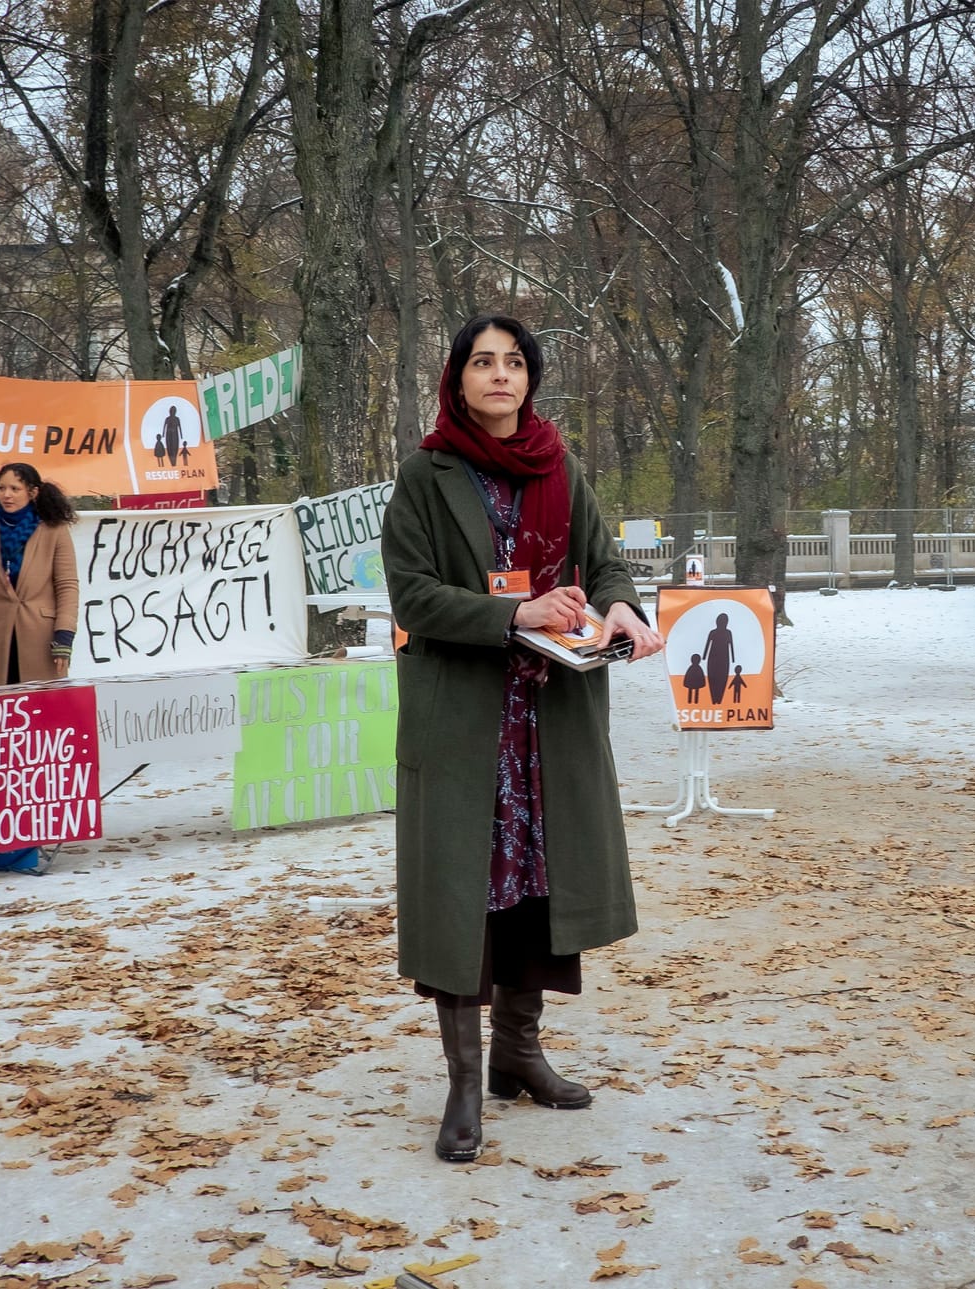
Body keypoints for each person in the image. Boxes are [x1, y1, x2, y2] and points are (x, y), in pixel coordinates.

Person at [381, 313, 663, 1164]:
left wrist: (619, 604)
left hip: (548, 722)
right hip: (467, 722)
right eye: (481, 362)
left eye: (513, 363)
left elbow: (603, 561)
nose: (499, 376)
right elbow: (414, 597)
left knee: (536, 893)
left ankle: (518, 1050)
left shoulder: (561, 466)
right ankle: (465, 1082)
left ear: (529, 378)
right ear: (457, 379)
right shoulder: (427, 475)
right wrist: (514, 613)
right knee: (462, 897)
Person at [0, 462, 79, 874]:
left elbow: (67, 587)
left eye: (16, 489)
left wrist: (64, 636)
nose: (7, 495)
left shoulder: (54, 530)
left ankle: (36, 832)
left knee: (38, 743)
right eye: (2, 487)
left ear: (34, 492)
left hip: (40, 644)